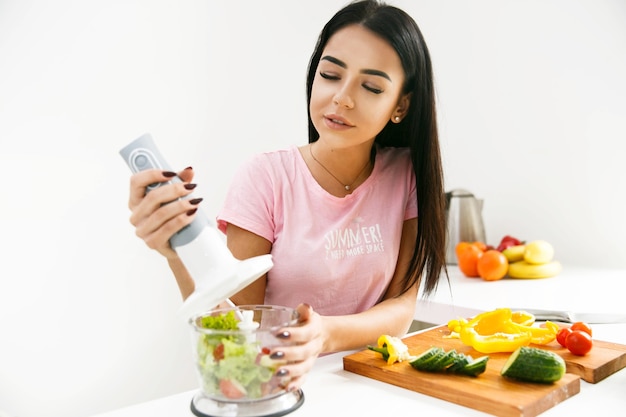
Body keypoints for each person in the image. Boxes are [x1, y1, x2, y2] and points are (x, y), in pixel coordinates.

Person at [127, 0, 447, 392]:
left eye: (371, 86)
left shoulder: (406, 174)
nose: (342, 98)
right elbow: (234, 331)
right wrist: (176, 251)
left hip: (374, 386)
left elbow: (400, 310)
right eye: (330, 75)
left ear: (401, 105)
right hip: (280, 389)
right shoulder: (266, 177)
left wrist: (325, 335)